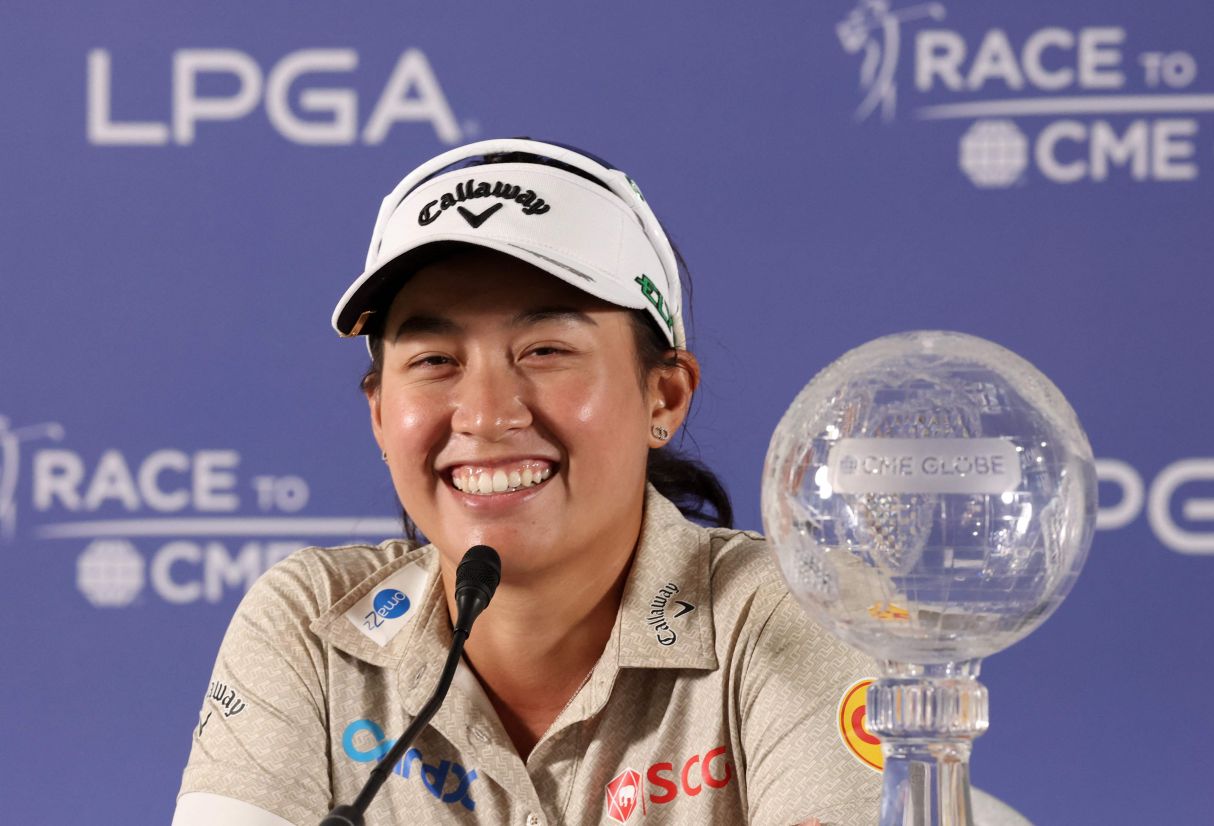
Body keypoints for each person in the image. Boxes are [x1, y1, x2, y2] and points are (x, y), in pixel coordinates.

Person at [171, 138, 883, 825]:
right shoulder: (312, 623)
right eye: (435, 361)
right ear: (381, 415)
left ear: (663, 397)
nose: (486, 415)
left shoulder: (794, 613)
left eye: (545, 350)